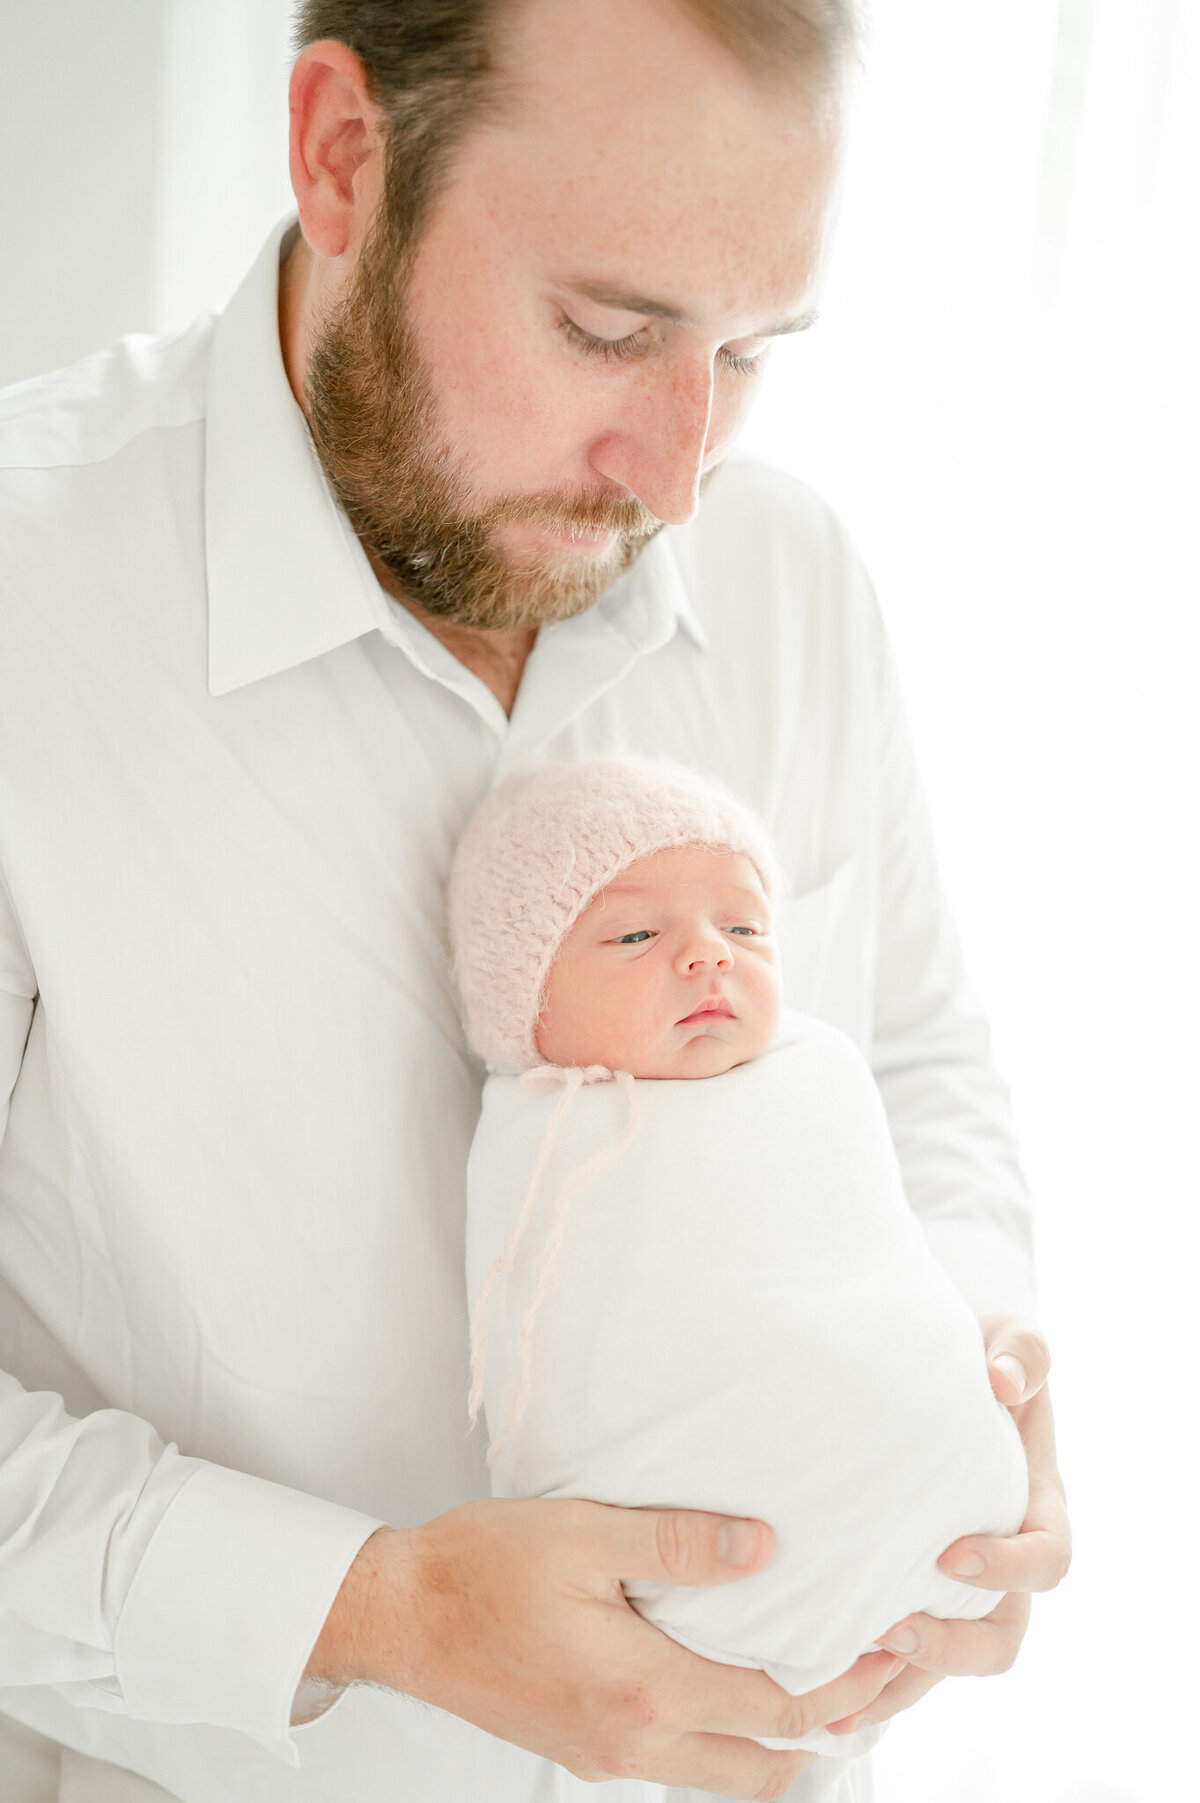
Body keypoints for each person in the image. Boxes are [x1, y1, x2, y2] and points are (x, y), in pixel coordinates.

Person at [0, 2, 1070, 1800]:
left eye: (749, 353)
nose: (679, 467)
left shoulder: (792, 572)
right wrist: (376, 1608)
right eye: (607, 327)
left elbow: (921, 1071)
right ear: (345, 153)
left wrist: (976, 1384)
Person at [448, 756, 1028, 1786]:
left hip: (937, 1537)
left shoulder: (818, 1074)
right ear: (524, 1004)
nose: (708, 956)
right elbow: (575, 1359)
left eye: (746, 928)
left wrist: (998, 1346)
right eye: (635, 935)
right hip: (666, 1600)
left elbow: (891, 1236)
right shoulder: (551, 1144)